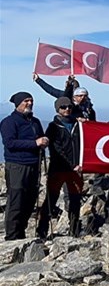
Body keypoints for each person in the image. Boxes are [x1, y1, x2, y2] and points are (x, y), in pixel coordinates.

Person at [1, 92, 48, 240]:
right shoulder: (9, 122)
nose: (29, 103)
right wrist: (35, 143)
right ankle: (11, 236)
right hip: (17, 165)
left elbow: (39, 139)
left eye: (31, 100)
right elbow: (10, 143)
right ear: (18, 103)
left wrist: (43, 142)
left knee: (29, 200)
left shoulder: (35, 121)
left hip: (33, 165)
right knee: (16, 200)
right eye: (26, 101)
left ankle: (20, 233)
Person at [37, 97, 83, 238]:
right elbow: (56, 148)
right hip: (58, 169)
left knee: (75, 200)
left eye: (69, 106)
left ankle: (74, 231)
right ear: (57, 109)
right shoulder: (53, 127)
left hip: (76, 170)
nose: (67, 109)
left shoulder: (79, 125)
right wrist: (72, 164)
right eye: (63, 107)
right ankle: (42, 231)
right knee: (51, 199)